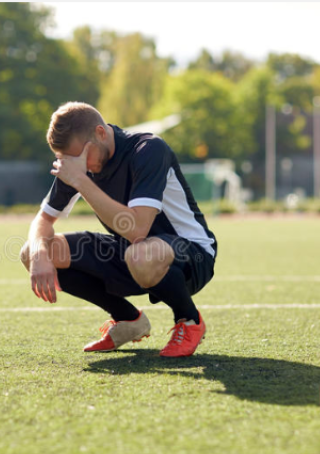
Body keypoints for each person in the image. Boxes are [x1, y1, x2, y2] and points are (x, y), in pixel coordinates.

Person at [20, 102, 217, 357]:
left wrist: (80, 180)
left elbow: (137, 229)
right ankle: (128, 320)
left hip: (190, 252)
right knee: (34, 251)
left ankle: (189, 320)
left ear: (101, 133)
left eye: (81, 157)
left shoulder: (148, 150)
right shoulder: (77, 161)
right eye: (68, 160)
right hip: (133, 251)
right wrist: (38, 254)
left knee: (140, 253)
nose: (80, 166)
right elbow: (42, 221)